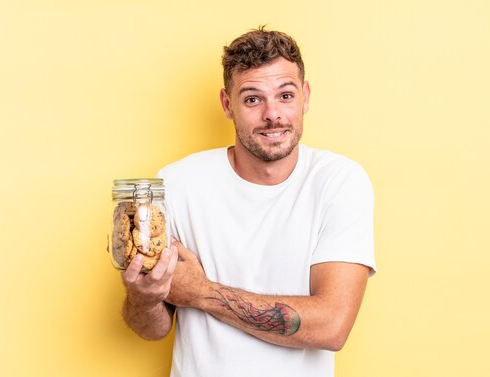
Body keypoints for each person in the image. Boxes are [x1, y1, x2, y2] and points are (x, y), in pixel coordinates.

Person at [121, 27, 376, 377]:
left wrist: (201, 293)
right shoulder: (176, 184)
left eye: (285, 96)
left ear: (305, 97)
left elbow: (332, 326)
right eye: (253, 99)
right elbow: (152, 329)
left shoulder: (339, 181)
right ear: (228, 105)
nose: (273, 115)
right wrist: (144, 296)